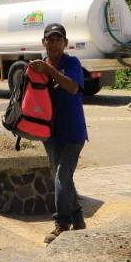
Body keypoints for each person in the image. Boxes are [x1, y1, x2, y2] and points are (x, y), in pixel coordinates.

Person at [29, 23, 87, 243]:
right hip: (50, 133)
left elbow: (73, 88)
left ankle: (61, 224)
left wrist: (51, 72)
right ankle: (78, 219)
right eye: (49, 39)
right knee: (62, 178)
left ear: (65, 43)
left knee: (62, 176)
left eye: (57, 39)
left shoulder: (71, 63)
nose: (53, 43)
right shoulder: (39, 66)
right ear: (43, 42)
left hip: (73, 132)